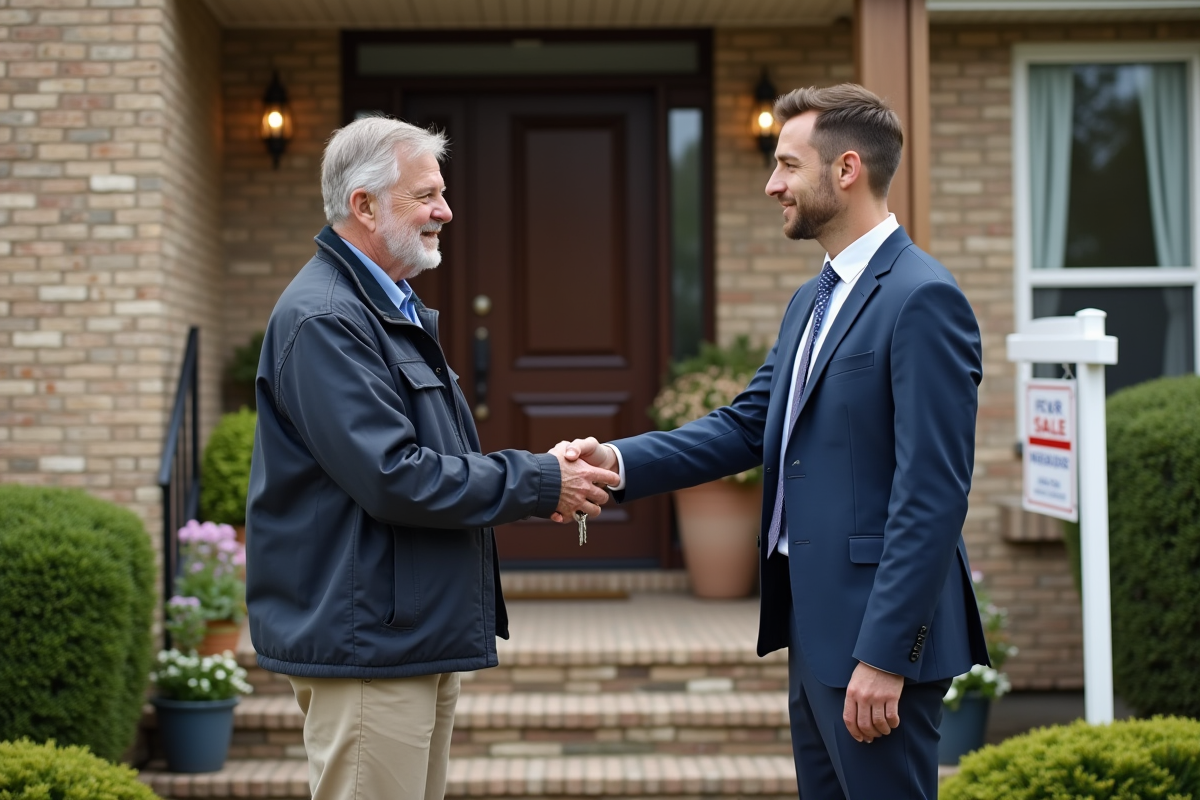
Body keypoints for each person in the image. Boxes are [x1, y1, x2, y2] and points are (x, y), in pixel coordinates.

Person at [557, 84, 990, 799]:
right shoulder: (813, 299)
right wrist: (618, 460)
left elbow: (933, 493)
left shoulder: (921, 297)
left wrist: (885, 655)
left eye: (788, 165)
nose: (772, 184)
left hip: (873, 649)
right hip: (817, 633)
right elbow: (748, 425)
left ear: (845, 170)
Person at [245, 116, 619, 800]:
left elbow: (426, 457)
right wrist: (541, 481)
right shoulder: (327, 319)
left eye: (440, 194)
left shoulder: (385, 308)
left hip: (407, 638)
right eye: (426, 195)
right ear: (363, 205)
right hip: (371, 650)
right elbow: (394, 477)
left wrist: (545, 470)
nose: (444, 211)